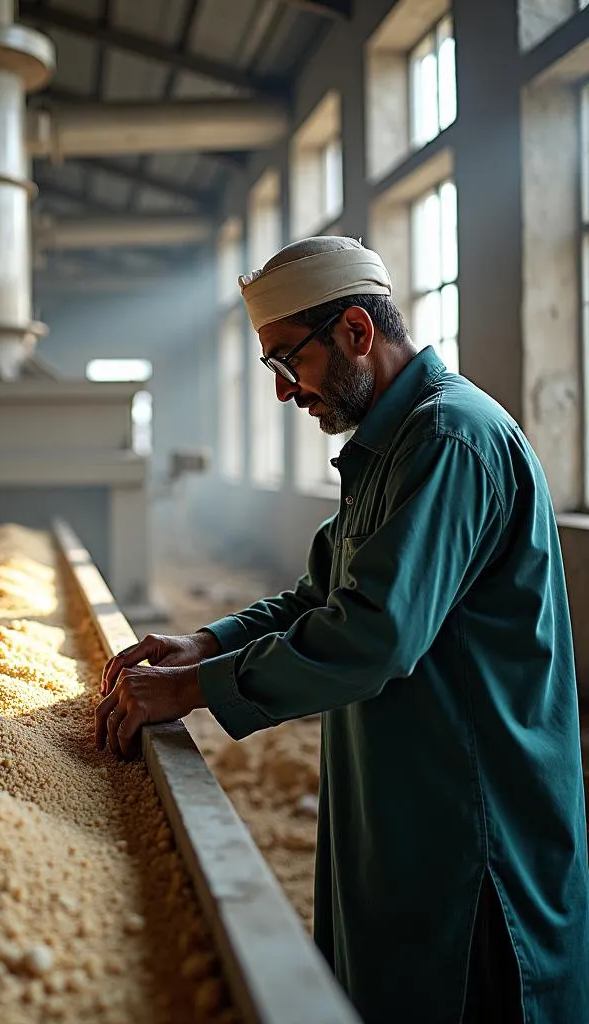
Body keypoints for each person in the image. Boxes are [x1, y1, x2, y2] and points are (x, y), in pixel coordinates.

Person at [96, 237, 589, 1023]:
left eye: (290, 363)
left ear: (357, 332)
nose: (288, 394)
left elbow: (373, 634)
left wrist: (192, 689)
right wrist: (209, 643)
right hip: (405, 796)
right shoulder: (389, 446)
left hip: (474, 821)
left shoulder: (449, 442)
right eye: (274, 372)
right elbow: (321, 593)